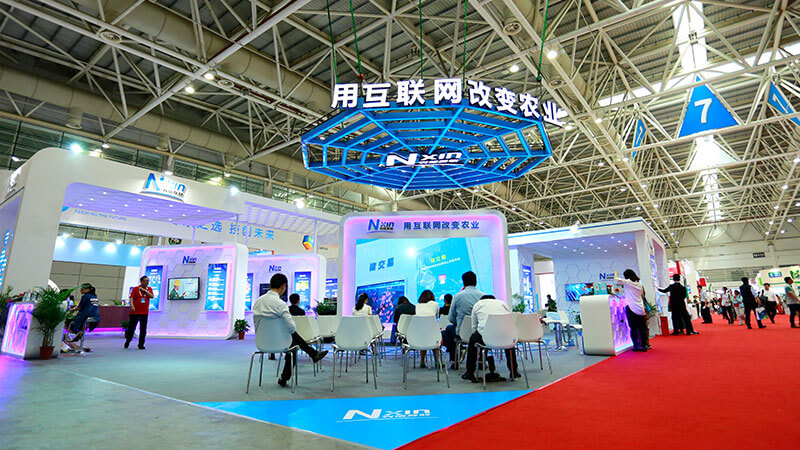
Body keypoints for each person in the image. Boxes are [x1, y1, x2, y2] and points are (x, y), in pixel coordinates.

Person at [252, 273, 328, 387]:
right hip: (280, 343)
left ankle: (313, 353)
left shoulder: (258, 302)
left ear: (270, 285)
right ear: (283, 286)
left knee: (292, 338)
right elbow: (292, 328)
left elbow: (256, 324)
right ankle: (285, 377)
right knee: (293, 344)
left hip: (261, 342)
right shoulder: (281, 304)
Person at [461, 295, 520, 383]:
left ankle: (470, 373)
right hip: (505, 336)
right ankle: (514, 372)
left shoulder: (478, 304)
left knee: (473, 339)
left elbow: (474, 326)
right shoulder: (502, 304)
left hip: (485, 336)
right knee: (510, 343)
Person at [443, 271, 485, 367]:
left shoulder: (457, 296)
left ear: (463, 282)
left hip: (462, 333)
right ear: (476, 282)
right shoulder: (483, 296)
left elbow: (451, 318)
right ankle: (481, 361)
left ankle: (455, 359)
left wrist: (459, 323)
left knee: (448, 329)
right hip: (479, 332)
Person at [615, 269, 648, 352]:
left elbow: (617, 279)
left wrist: (615, 273)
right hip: (640, 309)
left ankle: (636, 346)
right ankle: (644, 346)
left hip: (631, 308)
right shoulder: (639, 285)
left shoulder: (628, 282)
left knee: (633, 328)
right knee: (642, 328)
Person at [125, 276, 153, 349]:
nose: (147, 282)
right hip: (135, 312)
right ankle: (128, 341)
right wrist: (132, 306)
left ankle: (141, 344)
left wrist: (145, 291)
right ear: (141, 281)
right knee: (131, 328)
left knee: (143, 329)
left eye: (148, 281)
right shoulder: (135, 289)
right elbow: (131, 298)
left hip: (144, 312)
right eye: (145, 280)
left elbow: (151, 296)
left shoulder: (149, 289)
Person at [415, 290, 438, 368]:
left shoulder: (417, 306)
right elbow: (436, 317)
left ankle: (422, 361)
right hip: (432, 332)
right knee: (435, 338)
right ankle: (437, 361)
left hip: (419, 335)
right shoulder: (435, 304)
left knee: (424, 337)